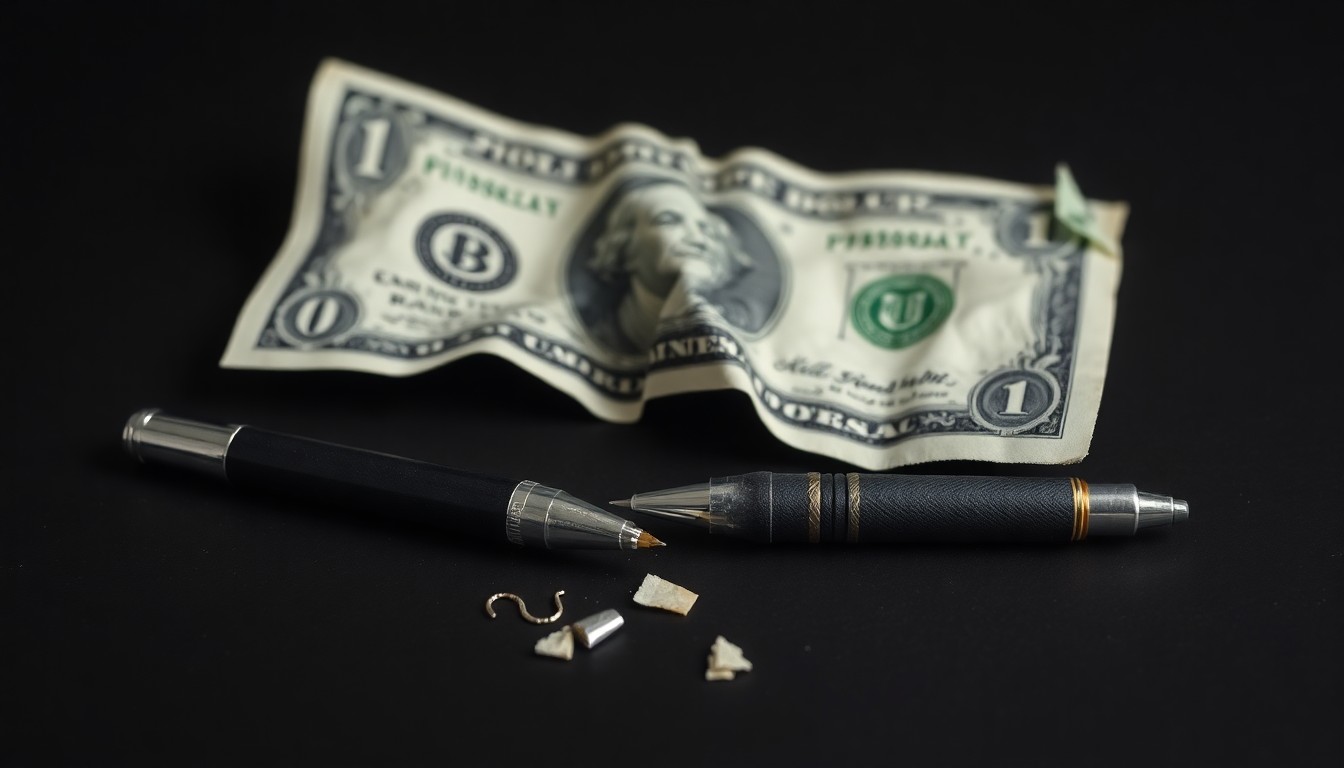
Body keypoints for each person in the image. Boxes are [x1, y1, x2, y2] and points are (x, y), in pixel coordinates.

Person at [586, 181, 758, 354]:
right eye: (669, 220)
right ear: (625, 247)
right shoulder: (598, 335)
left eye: (706, 229)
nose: (698, 240)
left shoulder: (744, 324)